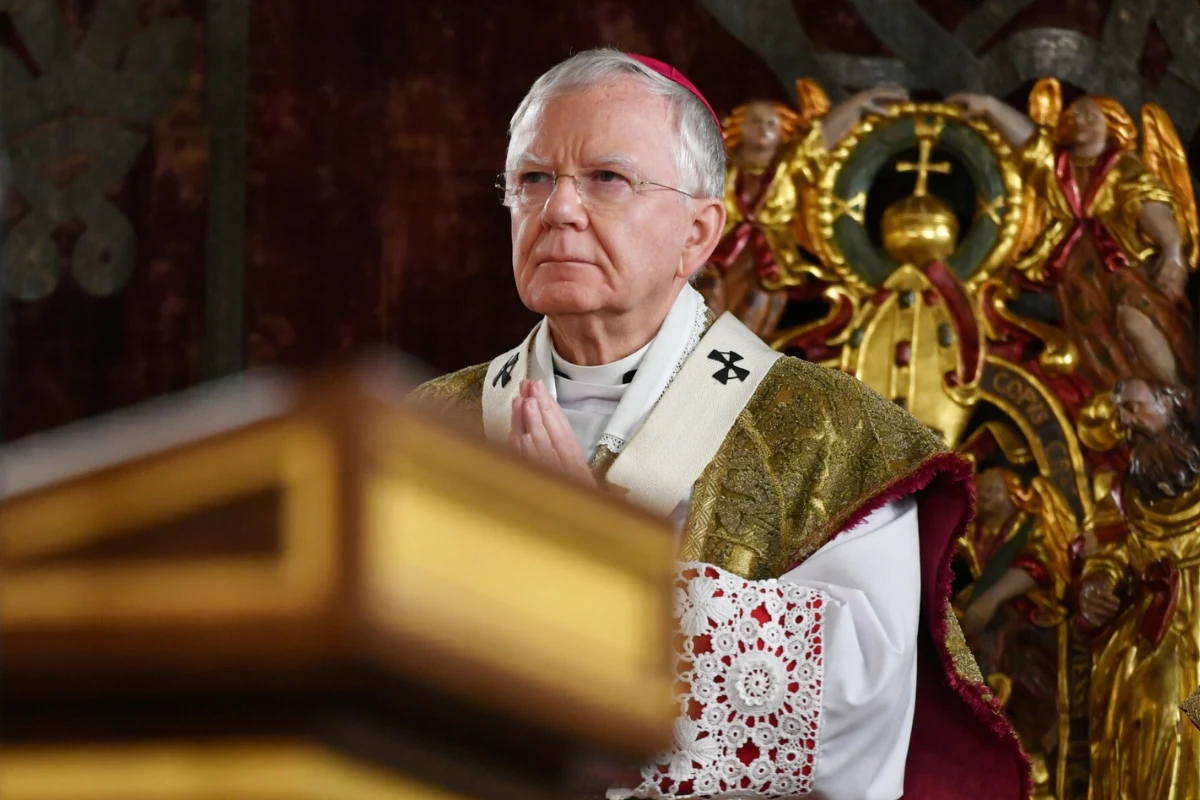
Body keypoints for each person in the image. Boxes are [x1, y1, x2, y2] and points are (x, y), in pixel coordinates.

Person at [412, 48, 1026, 800]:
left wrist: (598, 567)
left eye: (606, 179)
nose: (559, 209)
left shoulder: (836, 437)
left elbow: (854, 703)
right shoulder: (425, 427)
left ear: (698, 233)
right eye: (533, 179)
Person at [948, 91, 1195, 392]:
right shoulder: (1059, 165)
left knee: (1136, 320)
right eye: (1075, 115)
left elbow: (1150, 204)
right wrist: (991, 105)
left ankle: (1176, 395)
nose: (1081, 121)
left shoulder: (1121, 166)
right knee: (1095, 343)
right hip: (1074, 275)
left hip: (1121, 267)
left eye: (1091, 115)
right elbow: (1031, 143)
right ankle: (1127, 397)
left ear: (1111, 124)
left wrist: (1172, 251)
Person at [1078, 377, 1200, 800]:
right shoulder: (1122, 496)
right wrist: (1096, 585)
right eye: (1121, 414)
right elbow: (1108, 552)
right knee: (1151, 708)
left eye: (1135, 408)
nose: (1126, 423)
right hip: (1152, 633)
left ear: (1173, 405)